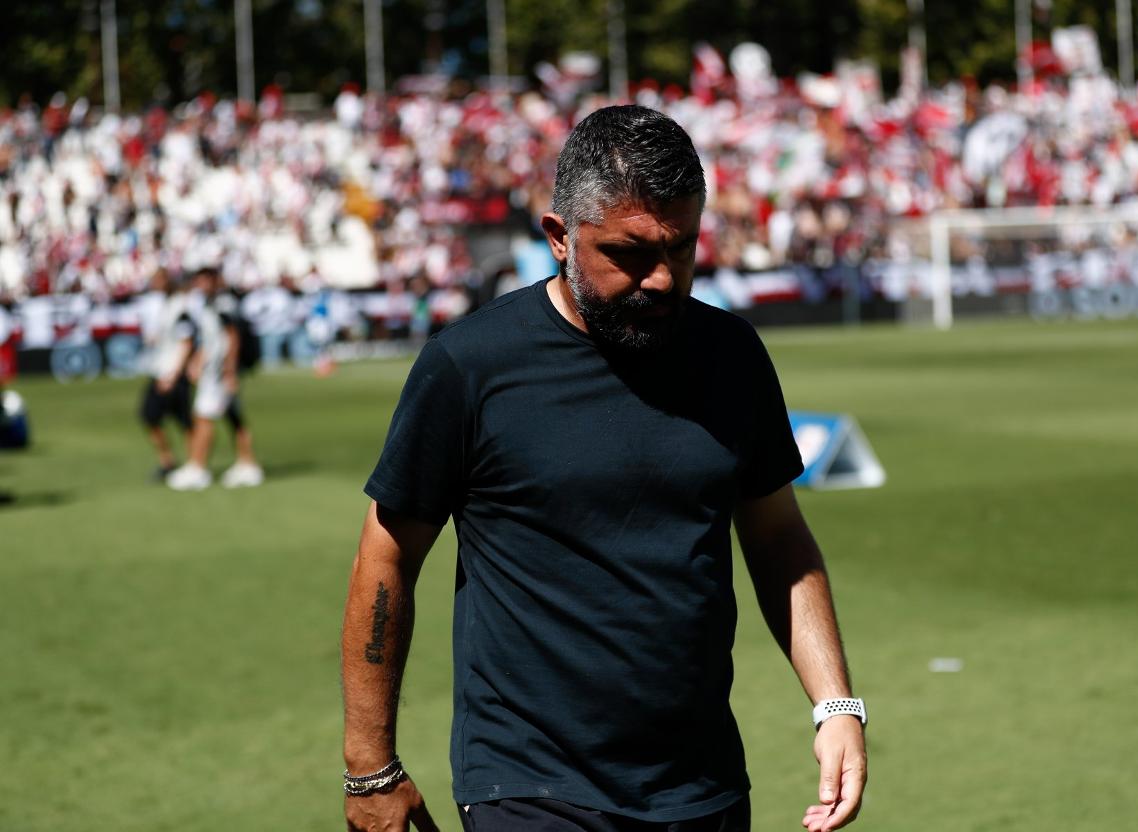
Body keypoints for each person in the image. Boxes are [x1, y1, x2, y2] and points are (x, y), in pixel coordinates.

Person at [341, 106, 866, 832]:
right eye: (628, 253)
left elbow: (780, 539)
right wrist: (371, 770)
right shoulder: (471, 365)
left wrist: (835, 703)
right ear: (559, 236)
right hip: (531, 787)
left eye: (679, 250)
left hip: (703, 785)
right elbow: (386, 555)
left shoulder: (733, 356)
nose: (659, 278)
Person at [165, 267, 264, 491]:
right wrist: (198, 361)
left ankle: (198, 467)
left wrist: (229, 371)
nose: (200, 285)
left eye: (205, 280)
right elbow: (212, 339)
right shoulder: (210, 304)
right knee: (233, 417)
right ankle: (247, 463)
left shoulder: (222, 304)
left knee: (203, 416)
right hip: (215, 371)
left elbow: (232, 337)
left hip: (220, 373)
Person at [136, 270, 195, 480]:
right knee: (149, 416)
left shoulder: (180, 307)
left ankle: (194, 463)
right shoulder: (167, 305)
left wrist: (173, 374)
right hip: (160, 369)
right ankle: (169, 461)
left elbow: (186, 343)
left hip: (172, 373)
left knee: (185, 421)